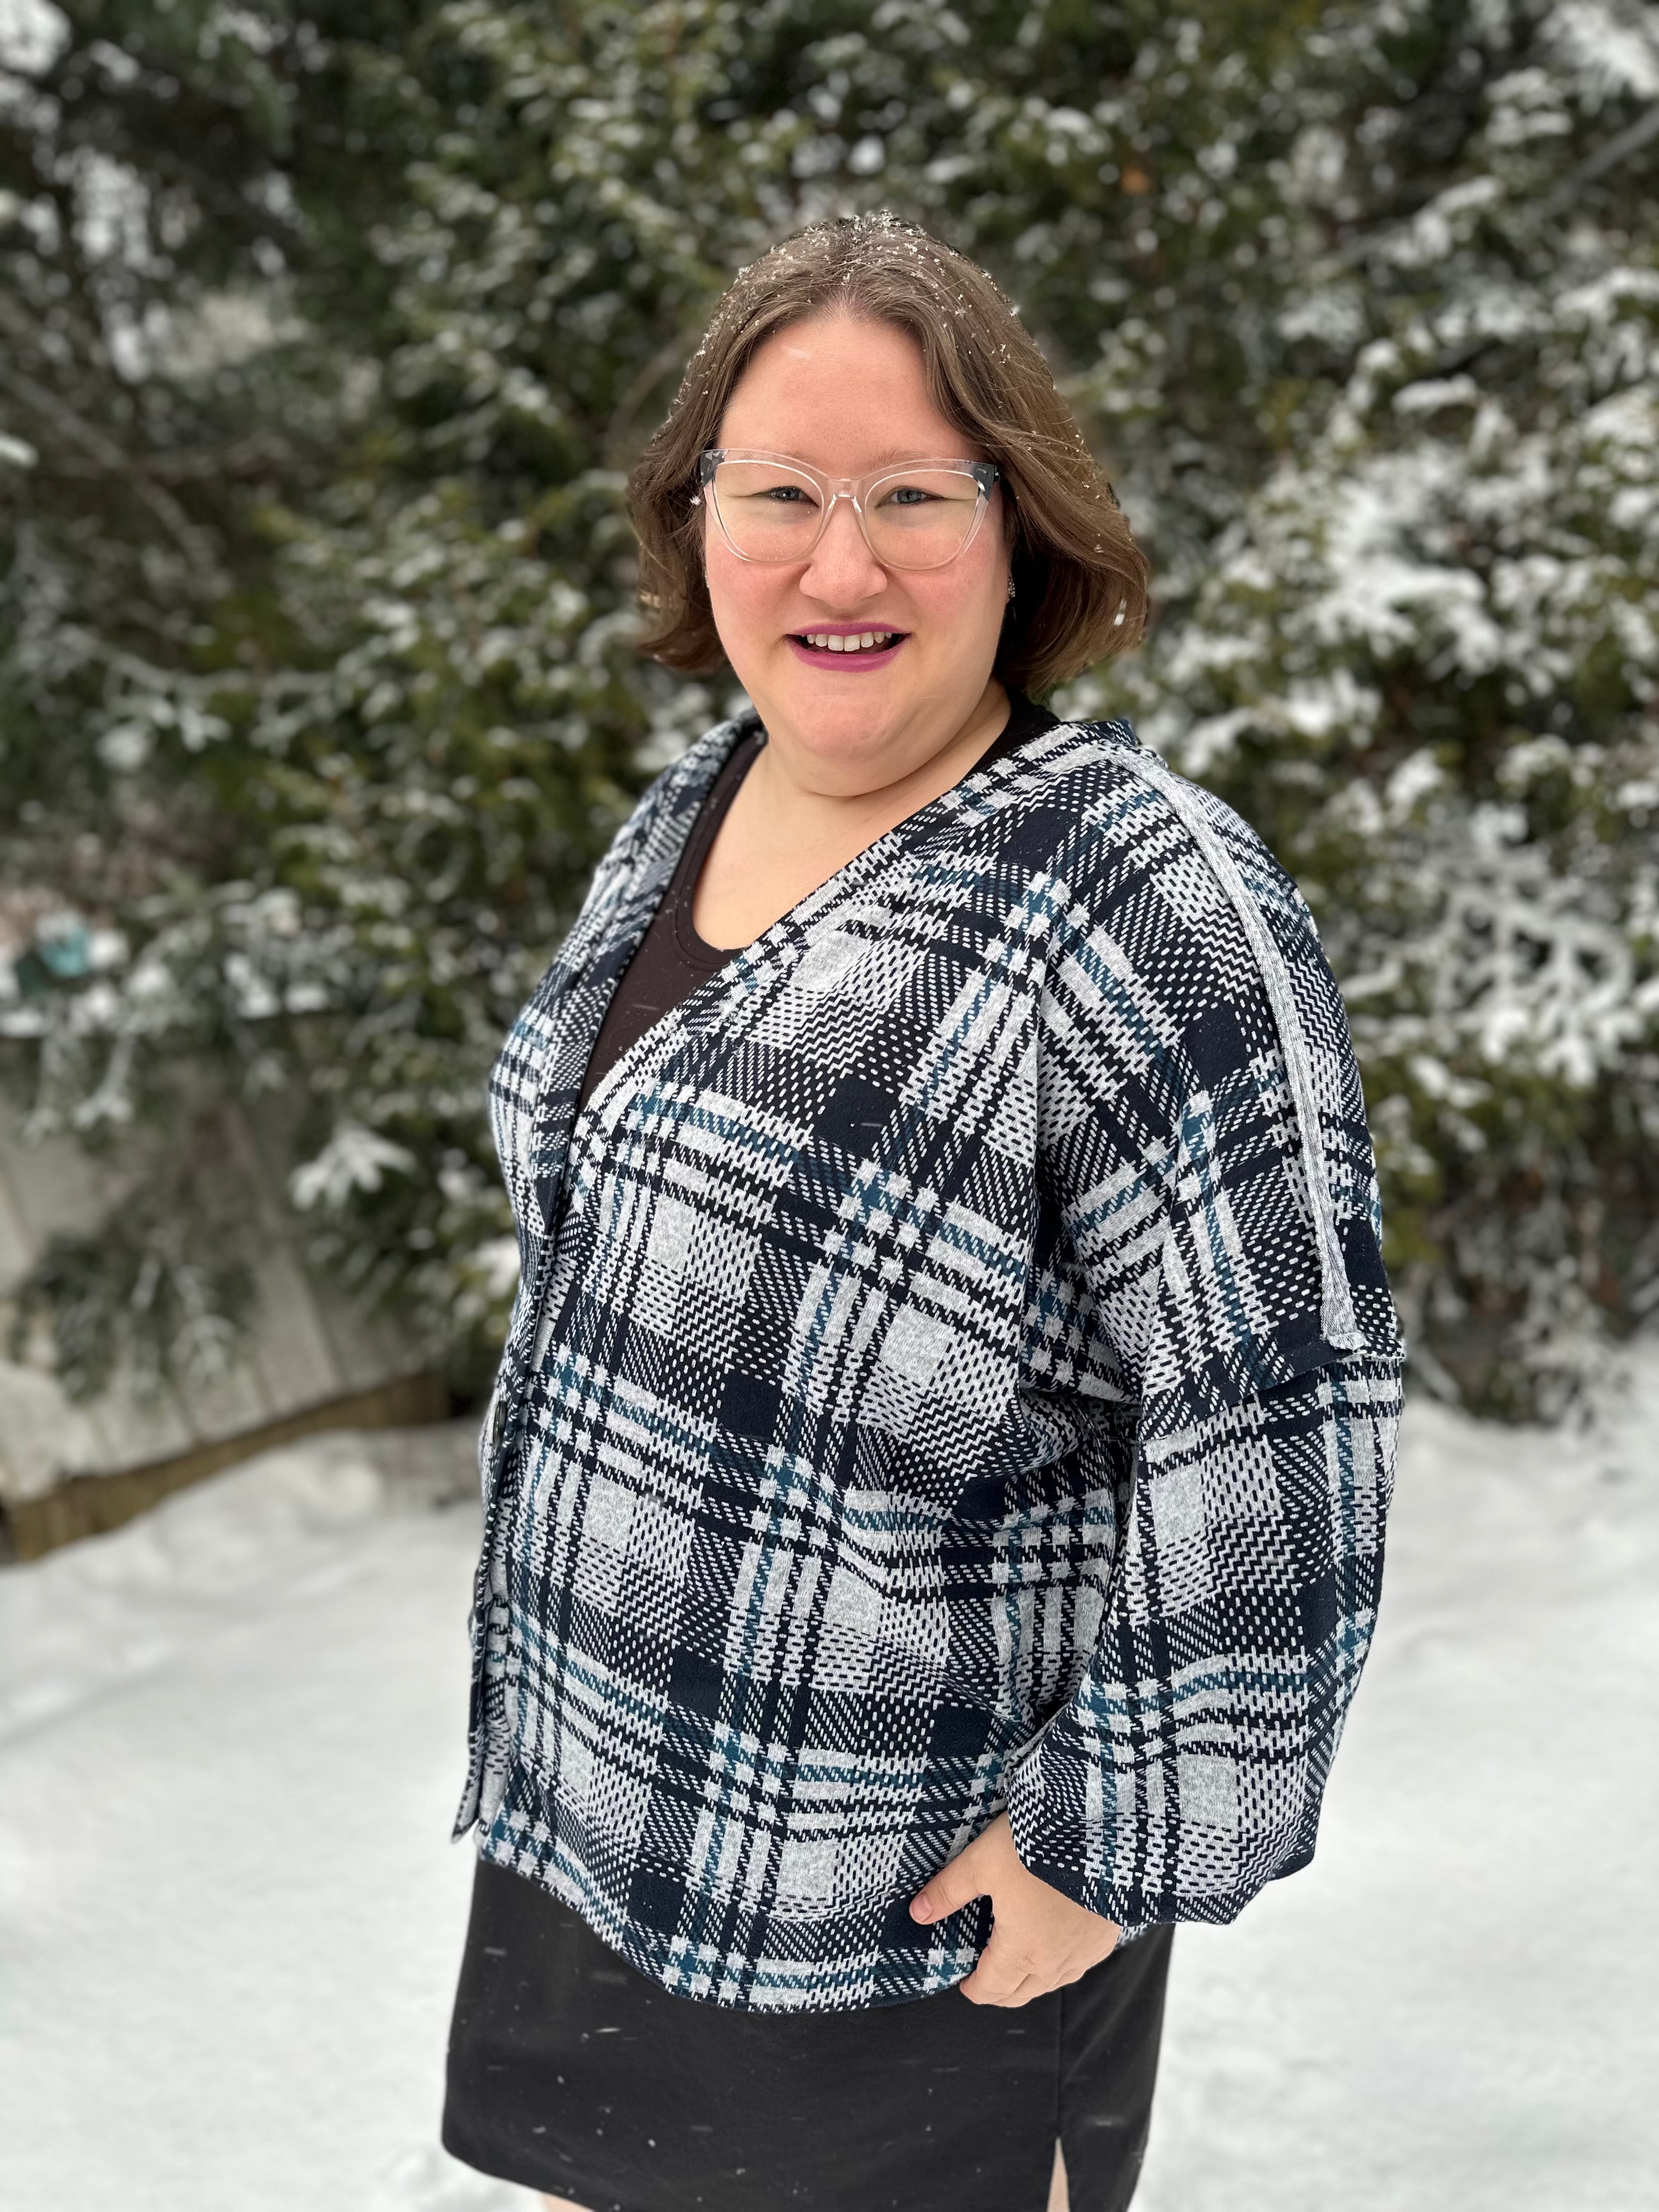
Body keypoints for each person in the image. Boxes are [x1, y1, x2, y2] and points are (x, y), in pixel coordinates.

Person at [441, 212, 1404, 2212]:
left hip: (916, 1918)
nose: (841, 563)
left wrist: (1105, 1848)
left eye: (910, 496)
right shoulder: (697, 802)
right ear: (698, 519)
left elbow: (1286, 1436)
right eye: (778, 492)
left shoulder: (1142, 896)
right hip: (610, 1845)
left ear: (1022, 527)